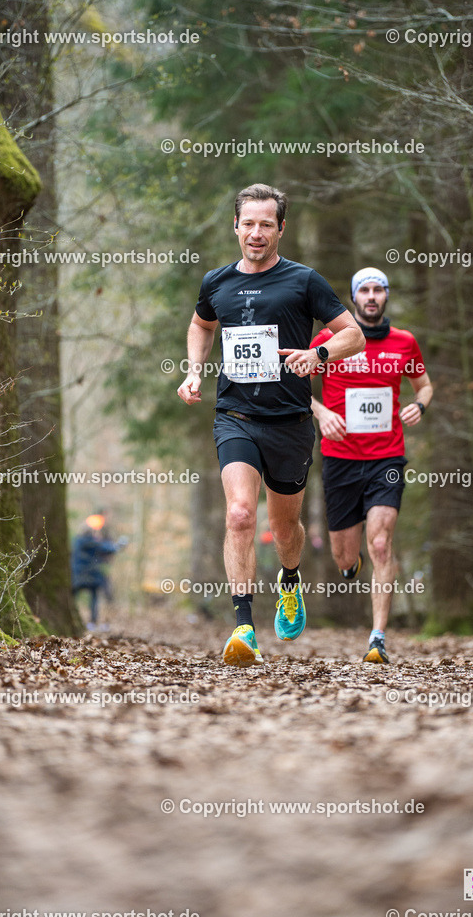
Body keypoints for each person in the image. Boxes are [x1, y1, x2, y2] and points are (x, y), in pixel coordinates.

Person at [177, 183, 364, 667]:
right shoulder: (216, 282)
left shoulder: (303, 281)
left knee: (285, 528)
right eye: (248, 223)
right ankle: (243, 627)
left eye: (266, 224)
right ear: (235, 226)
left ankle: (289, 579)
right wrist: (194, 369)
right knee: (240, 513)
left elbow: (355, 336)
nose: (256, 233)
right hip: (236, 417)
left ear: (281, 228)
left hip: (290, 423)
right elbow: (201, 324)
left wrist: (317, 353)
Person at [310, 267, 432, 664]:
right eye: (364, 289)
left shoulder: (404, 342)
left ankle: (377, 638)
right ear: (354, 297)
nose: (372, 295)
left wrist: (419, 404)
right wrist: (321, 412)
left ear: (387, 296)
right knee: (344, 557)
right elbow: (295, 384)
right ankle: (352, 564)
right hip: (341, 458)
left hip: (387, 456)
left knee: (381, 542)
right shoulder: (330, 340)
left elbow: (424, 384)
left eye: (379, 289)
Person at [71, 512, 127, 631]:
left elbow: (104, 548)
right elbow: (105, 547)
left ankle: (90, 622)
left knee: (87, 597)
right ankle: (91, 622)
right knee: (92, 597)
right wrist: (118, 546)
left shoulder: (80, 540)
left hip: (82, 574)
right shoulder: (87, 541)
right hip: (86, 575)